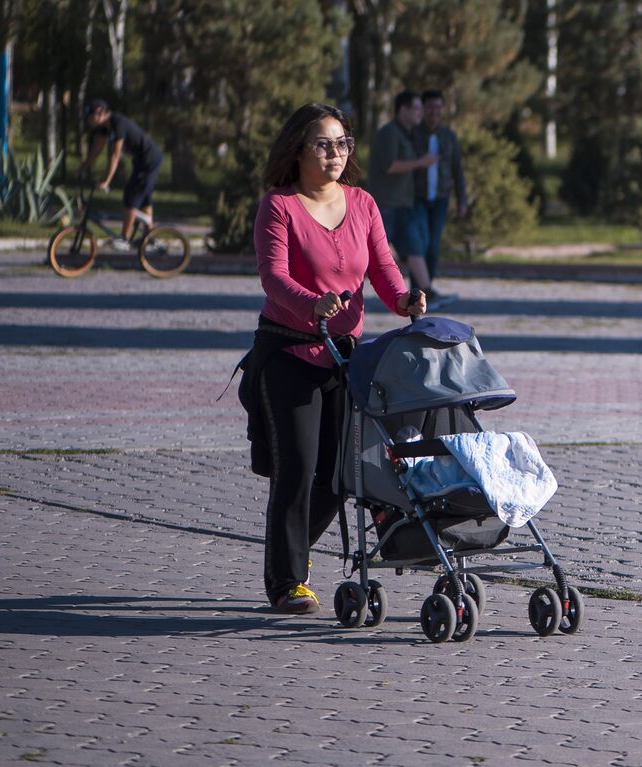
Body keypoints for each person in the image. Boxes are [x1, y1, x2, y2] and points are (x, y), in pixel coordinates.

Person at [241, 102, 426, 614]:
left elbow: (384, 270)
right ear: (297, 149)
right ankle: (286, 580)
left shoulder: (363, 203)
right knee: (296, 471)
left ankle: (293, 553)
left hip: (346, 361)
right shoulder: (279, 206)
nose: (335, 153)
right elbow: (273, 277)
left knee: (341, 475)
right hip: (289, 354)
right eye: (323, 144)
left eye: (343, 143)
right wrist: (311, 304)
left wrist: (405, 301)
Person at [366, 91, 440, 301]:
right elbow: (390, 166)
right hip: (386, 205)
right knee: (370, 255)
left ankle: (428, 291)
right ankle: (346, 290)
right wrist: (420, 162)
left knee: (414, 247)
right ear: (403, 109)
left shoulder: (408, 134)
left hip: (403, 205)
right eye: (416, 108)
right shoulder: (389, 133)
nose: (420, 113)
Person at [80, 100, 163, 250]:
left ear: (100, 113)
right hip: (141, 161)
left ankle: (124, 238)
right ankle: (150, 237)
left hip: (149, 160)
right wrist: (83, 167)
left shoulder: (118, 123)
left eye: (90, 116)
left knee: (131, 197)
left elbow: (115, 155)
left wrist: (107, 181)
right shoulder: (104, 128)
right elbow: (96, 150)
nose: (88, 120)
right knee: (144, 199)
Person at [411, 90, 469, 305]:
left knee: (433, 246)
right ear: (423, 109)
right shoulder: (414, 134)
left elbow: (457, 170)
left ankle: (425, 292)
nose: (434, 112)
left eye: (438, 107)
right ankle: (417, 291)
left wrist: (462, 200)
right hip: (417, 198)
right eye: (430, 107)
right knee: (420, 244)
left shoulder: (449, 136)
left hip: (441, 199)